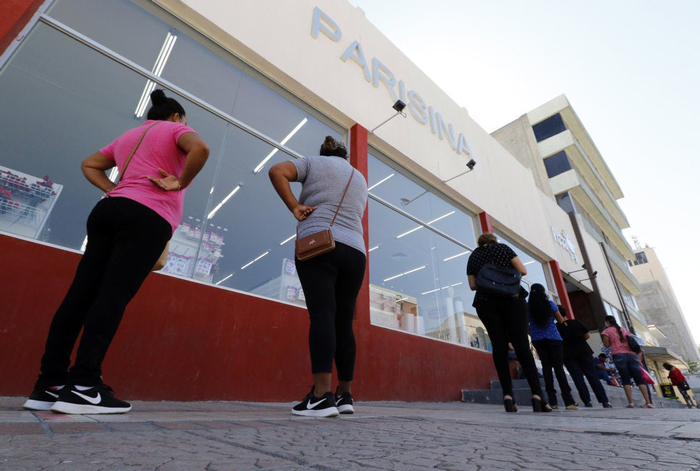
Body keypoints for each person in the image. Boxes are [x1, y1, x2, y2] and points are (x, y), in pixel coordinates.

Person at [22, 90, 210, 414]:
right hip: (147, 216)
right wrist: (180, 182)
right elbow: (201, 149)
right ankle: (83, 386)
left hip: (107, 211)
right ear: (176, 117)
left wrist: (114, 189)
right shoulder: (176, 129)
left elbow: (90, 164)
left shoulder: (128, 136)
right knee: (113, 295)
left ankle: (49, 385)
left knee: (79, 296)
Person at [269, 136, 367, 418]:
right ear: (345, 156)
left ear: (323, 152)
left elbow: (277, 171)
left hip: (320, 243)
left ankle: (321, 396)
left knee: (323, 315)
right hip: (356, 252)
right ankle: (344, 395)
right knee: (344, 323)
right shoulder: (359, 178)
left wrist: (294, 206)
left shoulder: (313, 163)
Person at [466, 233, 550, 413]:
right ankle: (537, 395)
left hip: (485, 302)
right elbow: (523, 271)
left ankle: (508, 396)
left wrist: (489, 280)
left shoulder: (474, 256)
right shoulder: (503, 248)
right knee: (522, 345)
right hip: (512, 299)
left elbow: (473, 285)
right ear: (494, 240)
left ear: (480, 243)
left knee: (499, 346)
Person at [527, 284, 578, 410]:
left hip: (538, 340)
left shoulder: (528, 307)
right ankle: (569, 401)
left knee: (546, 369)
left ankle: (552, 401)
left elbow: (527, 324)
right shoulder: (550, 304)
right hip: (554, 339)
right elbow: (560, 320)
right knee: (559, 368)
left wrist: (534, 333)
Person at [556, 306, 612, 408]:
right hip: (584, 351)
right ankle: (605, 401)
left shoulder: (556, 327)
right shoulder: (576, 322)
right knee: (592, 376)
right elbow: (587, 335)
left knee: (578, 378)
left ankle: (587, 401)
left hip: (568, 355)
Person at [601, 316, 654, 408]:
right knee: (639, 379)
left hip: (618, 355)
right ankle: (648, 402)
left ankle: (631, 403)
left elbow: (606, 345)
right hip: (632, 355)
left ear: (607, 322)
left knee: (625, 379)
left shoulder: (607, 331)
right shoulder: (623, 329)